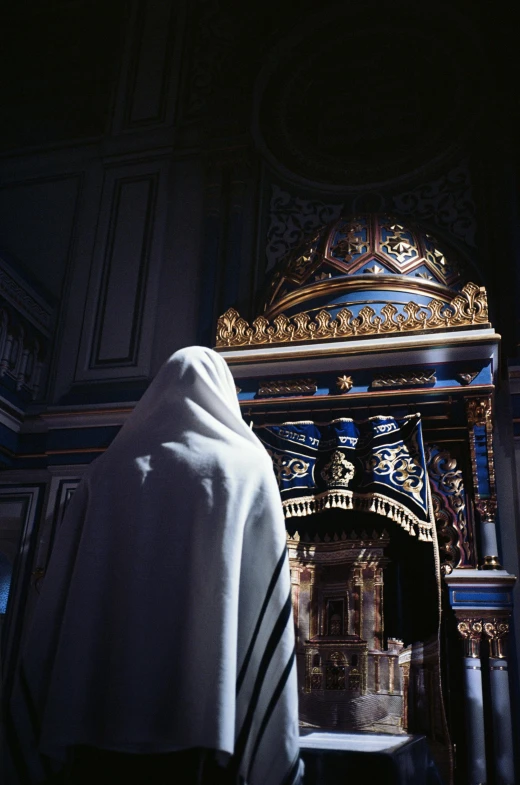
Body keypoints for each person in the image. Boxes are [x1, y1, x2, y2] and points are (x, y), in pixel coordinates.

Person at [8, 346, 302, 785]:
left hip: (94, 725)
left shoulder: (106, 473)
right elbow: (263, 592)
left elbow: (61, 599)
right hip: (201, 733)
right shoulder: (247, 467)